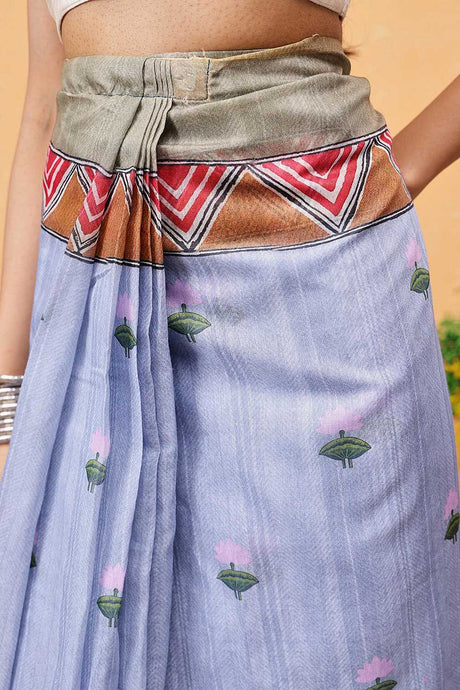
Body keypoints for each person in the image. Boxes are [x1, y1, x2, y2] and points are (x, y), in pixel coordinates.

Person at [0, 0, 459, 687]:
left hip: (316, 295)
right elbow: (43, 107)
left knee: (349, 641)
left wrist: (402, 169)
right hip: (91, 305)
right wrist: (9, 397)